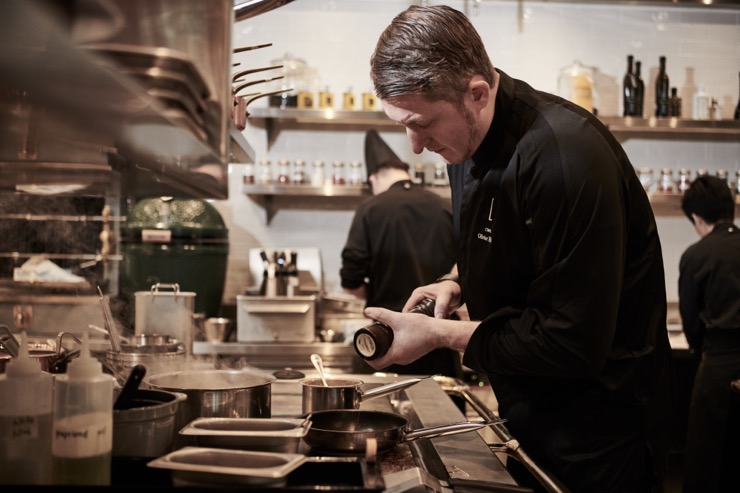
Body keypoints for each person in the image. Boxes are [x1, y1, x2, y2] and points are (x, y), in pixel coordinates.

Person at [362, 5, 674, 492]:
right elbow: (507, 238)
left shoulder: (565, 158)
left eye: (421, 124)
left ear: (477, 93)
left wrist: (439, 335)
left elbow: (571, 342)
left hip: (597, 438)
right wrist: (455, 281)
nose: (414, 146)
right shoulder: (464, 142)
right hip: (531, 416)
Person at [340, 129, 463, 380]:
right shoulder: (444, 206)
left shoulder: (370, 210)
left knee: (387, 416)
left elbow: (351, 281)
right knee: (444, 415)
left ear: (373, 178)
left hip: (387, 341)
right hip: (438, 337)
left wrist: (374, 292)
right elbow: (464, 266)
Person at [678, 175, 740, 493]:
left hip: (717, 363)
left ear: (698, 218)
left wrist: (702, 350)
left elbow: (691, 321)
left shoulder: (696, 256)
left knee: (707, 458)